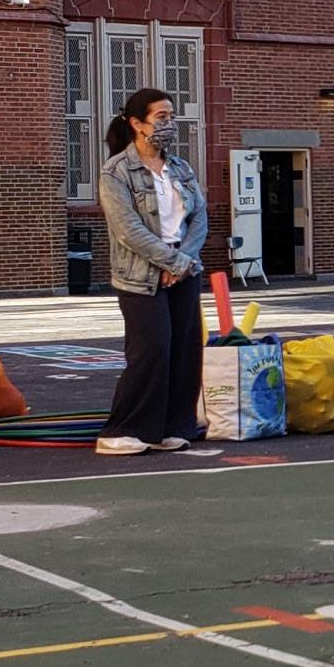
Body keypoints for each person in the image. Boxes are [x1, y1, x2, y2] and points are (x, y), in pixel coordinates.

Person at [96, 88, 211, 458]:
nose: (169, 125)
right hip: (140, 276)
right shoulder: (116, 172)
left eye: (172, 117)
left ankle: (170, 427)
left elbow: (199, 218)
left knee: (184, 350)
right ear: (136, 123)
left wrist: (184, 262)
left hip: (183, 270)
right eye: (161, 117)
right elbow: (128, 230)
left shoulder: (180, 168)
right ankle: (123, 428)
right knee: (152, 350)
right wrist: (170, 263)